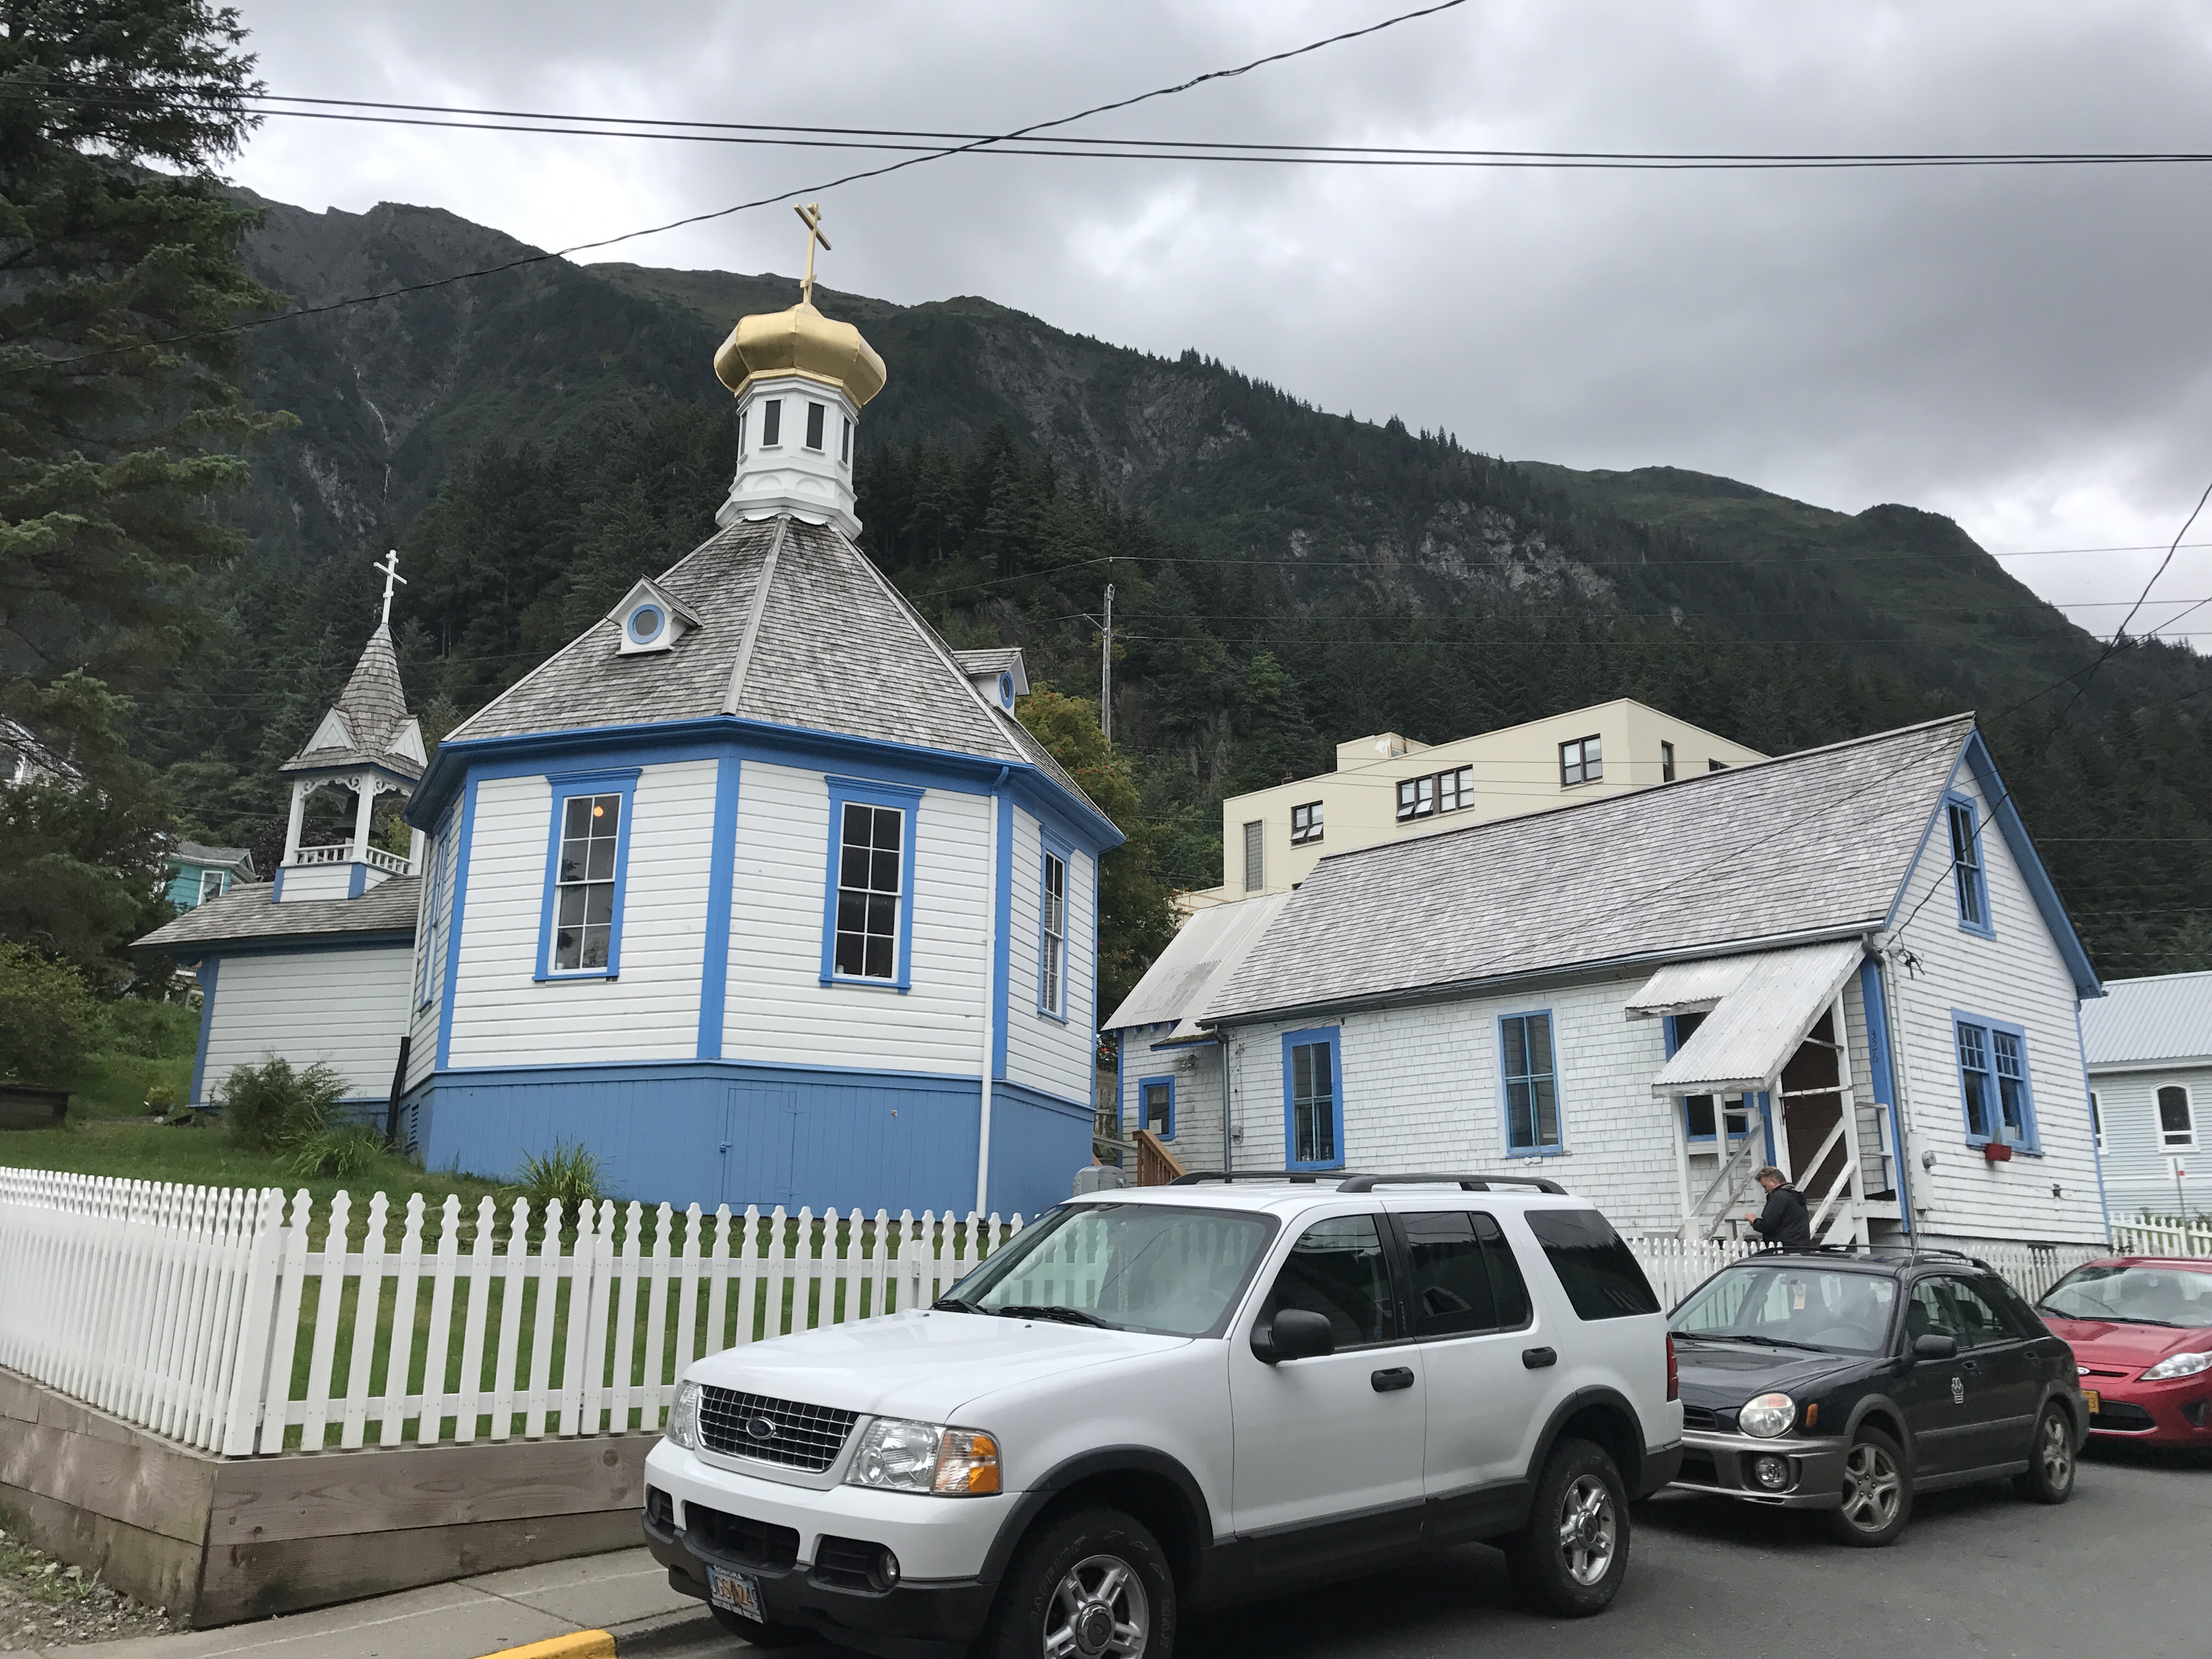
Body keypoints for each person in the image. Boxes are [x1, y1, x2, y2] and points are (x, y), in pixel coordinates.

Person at [1745, 1166, 1813, 1248]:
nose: (1765, 1191)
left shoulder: (1779, 1197)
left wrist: (1754, 1221)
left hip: (1784, 1247)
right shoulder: (1795, 1196)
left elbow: (1768, 1226)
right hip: (1800, 1246)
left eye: (1765, 1187)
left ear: (1774, 1182)